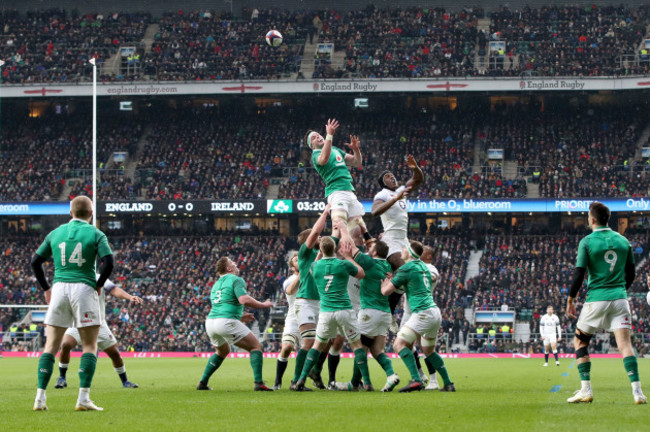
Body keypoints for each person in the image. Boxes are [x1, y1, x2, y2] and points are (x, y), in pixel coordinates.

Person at [30, 196, 114, 411]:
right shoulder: (96, 233)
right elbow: (109, 262)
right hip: (84, 288)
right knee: (89, 346)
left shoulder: (55, 233)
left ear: (70, 213)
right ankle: (83, 399)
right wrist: (99, 284)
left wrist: (46, 288)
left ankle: (40, 398)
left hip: (59, 288)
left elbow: (35, 261)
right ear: (91, 214)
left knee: (50, 346)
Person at [566, 202, 646, 404]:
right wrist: (619, 290)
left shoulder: (587, 241)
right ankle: (637, 392)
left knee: (580, 341)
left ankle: (586, 389)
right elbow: (631, 273)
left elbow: (578, 274)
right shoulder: (623, 241)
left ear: (592, 219)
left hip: (596, 300)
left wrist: (570, 299)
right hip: (620, 298)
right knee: (625, 345)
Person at [294, 236, 373, 391]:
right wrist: (349, 257)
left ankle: (301, 380)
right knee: (357, 345)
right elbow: (362, 273)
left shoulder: (315, 266)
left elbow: (314, 263)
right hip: (344, 309)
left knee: (317, 345)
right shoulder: (343, 264)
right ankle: (368, 382)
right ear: (335, 249)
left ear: (321, 250)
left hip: (326, 312)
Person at [381, 241, 455, 393]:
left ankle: (417, 379)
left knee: (398, 345)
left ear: (409, 253)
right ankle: (448, 383)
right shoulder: (422, 266)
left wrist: (386, 282)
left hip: (422, 313)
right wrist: (396, 277)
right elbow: (411, 282)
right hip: (434, 311)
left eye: (404, 248)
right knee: (429, 351)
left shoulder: (406, 268)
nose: (402, 249)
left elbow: (386, 292)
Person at [196, 257, 274, 392]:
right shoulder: (235, 280)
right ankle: (258, 383)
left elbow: (222, 305)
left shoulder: (215, 285)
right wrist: (263, 305)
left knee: (223, 351)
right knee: (256, 346)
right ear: (228, 268)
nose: (236, 265)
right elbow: (243, 299)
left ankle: (203, 382)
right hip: (226, 321)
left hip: (210, 322)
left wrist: (241, 316)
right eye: (233, 263)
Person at [55, 275, 143, 389]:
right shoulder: (72, 277)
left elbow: (114, 289)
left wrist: (129, 297)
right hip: (78, 323)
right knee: (65, 344)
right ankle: (62, 378)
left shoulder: (97, 277)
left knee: (115, 354)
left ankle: (125, 381)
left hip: (98, 324)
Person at [337, 239, 400, 392]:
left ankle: (360, 383)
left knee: (359, 347)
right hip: (385, 312)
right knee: (377, 350)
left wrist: (342, 226)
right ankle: (391, 375)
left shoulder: (370, 263)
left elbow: (351, 248)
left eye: (371, 248)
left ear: (375, 252)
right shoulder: (386, 266)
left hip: (370, 312)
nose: (368, 249)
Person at [305, 119, 373, 245]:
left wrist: (356, 150)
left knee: (357, 234)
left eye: (318, 135)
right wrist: (329, 135)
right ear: (312, 146)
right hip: (337, 192)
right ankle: (329, 259)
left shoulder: (335, 149)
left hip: (350, 191)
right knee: (338, 230)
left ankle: (356, 261)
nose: (318, 137)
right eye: (314, 138)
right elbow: (324, 159)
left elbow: (356, 162)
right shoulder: (315, 155)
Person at [290, 204, 332, 391]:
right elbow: (316, 233)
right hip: (305, 301)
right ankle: (296, 381)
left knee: (327, 341)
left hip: (321, 303)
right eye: (317, 237)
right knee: (308, 341)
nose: (321, 237)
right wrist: (325, 212)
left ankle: (314, 370)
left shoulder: (321, 256)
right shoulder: (304, 253)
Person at [371, 154, 424, 271]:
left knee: (417, 271)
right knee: (406, 270)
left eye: (392, 175)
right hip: (391, 240)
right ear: (383, 183)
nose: (392, 177)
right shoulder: (382, 194)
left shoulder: (401, 191)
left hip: (404, 239)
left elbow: (418, 179)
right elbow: (375, 211)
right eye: (388, 177)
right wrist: (395, 199)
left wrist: (415, 168)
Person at [273, 253, 300, 390]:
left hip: (313, 319)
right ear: (291, 266)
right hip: (294, 319)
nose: (299, 261)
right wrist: (303, 274)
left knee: (306, 352)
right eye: (296, 260)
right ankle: (278, 381)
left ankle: (296, 382)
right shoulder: (288, 281)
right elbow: (290, 292)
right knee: (287, 348)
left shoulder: (313, 276)